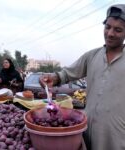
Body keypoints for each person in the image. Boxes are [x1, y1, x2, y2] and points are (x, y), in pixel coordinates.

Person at [39, 4, 125, 150]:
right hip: (86, 129)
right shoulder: (92, 56)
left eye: (118, 30)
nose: (110, 33)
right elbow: (67, 73)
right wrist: (53, 78)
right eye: (107, 27)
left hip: (116, 135)